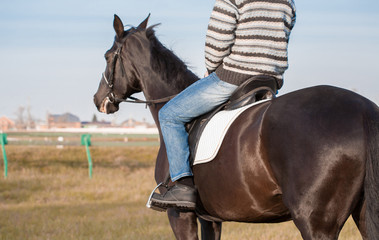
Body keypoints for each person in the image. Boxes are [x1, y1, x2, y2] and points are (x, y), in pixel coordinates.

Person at [150, 0, 296, 210]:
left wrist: (211, 67)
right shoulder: (288, 1)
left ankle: (182, 185)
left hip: (234, 76)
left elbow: (218, 39)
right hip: (270, 80)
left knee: (169, 114)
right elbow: (283, 36)